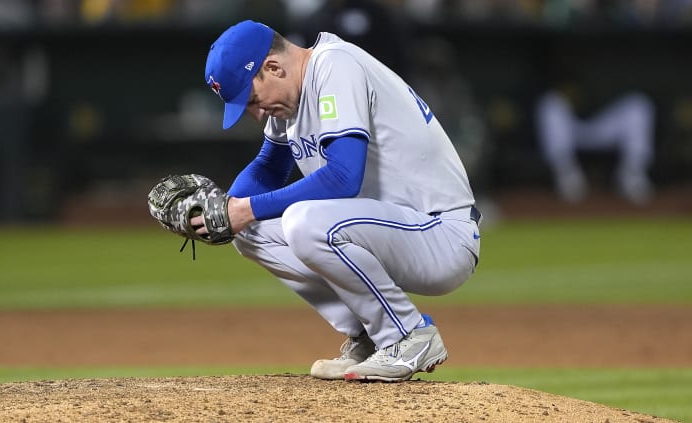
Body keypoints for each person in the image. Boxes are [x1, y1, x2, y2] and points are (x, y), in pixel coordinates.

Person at [197, 20, 481, 382]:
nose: (257, 113)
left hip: (441, 235)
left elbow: (343, 178)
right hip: (389, 229)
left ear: (273, 67)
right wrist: (222, 211)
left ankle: (409, 336)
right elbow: (267, 167)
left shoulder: (335, 67)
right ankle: (370, 336)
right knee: (250, 232)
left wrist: (243, 209)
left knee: (305, 221)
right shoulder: (291, 96)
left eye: (252, 100)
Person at [535, 89, 656, 205]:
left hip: (608, 123)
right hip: (572, 126)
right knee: (550, 103)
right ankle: (567, 176)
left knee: (638, 104)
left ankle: (632, 175)